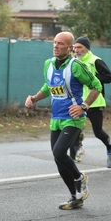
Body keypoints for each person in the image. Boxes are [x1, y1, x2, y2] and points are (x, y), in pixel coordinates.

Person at [25, 31, 102, 210]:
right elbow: (49, 86)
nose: (55, 46)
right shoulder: (48, 64)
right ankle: (75, 197)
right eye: (54, 42)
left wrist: (84, 105)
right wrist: (35, 98)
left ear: (70, 48)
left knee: (60, 153)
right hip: (56, 118)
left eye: (60, 44)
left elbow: (96, 86)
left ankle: (80, 178)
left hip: (73, 118)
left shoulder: (77, 66)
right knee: (58, 159)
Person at [70, 36, 111, 167]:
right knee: (73, 129)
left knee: (98, 132)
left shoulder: (95, 60)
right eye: (75, 47)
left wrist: (91, 78)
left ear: (87, 48)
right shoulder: (74, 61)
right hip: (78, 101)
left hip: (94, 101)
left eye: (80, 47)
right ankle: (72, 158)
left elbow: (109, 77)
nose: (77, 50)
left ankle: (110, 148)